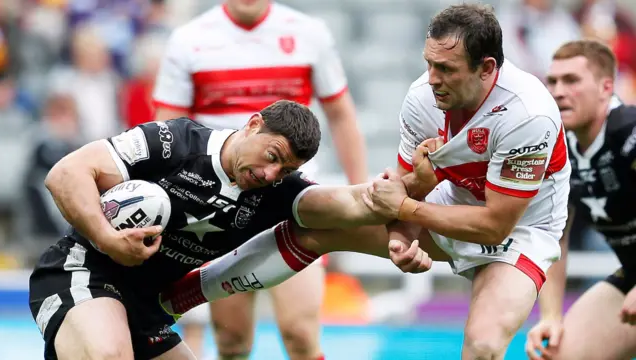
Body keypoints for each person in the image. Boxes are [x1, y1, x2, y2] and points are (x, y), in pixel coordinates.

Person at [159, 4, 572, 359]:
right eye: (428, 63)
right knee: (311, 229)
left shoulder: (528, 114)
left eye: (445, 68)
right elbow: (406, 190)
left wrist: (406, 211)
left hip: (519, 233)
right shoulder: (422, 98)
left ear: (487, 69)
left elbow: (494, 224)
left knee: (482, 345)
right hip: (448, 204)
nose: (431, 78)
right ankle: (175, 299)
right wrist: (399, 236)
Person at [28, 100, 390, 360]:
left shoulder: (277, 190)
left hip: (146, 308)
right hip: (82, 272)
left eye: (284, 169)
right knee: (109, 353)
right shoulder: (175, 141)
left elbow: (353, 205)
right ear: (252, 125)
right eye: (272, 156)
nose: (270, 174)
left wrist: (406, 202)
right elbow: (65, 174)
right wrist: (108, 239)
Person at [151, 0, 367, 358]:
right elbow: (165, 133)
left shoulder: (308, 33)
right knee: (232, 339)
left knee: (300, 332)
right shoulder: (189, 40)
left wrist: (358, 196)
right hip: (218, 207)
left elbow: (341, 115)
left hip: (292, 204)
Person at [524, 40, 636, 360]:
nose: (558, 91)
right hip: (632, 274)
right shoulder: (557, 151)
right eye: (553, 81)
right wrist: (550, 317)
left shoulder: (630, 131)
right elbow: (553, 239)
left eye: (571, 80)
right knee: (561, 353)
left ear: (606, 87)